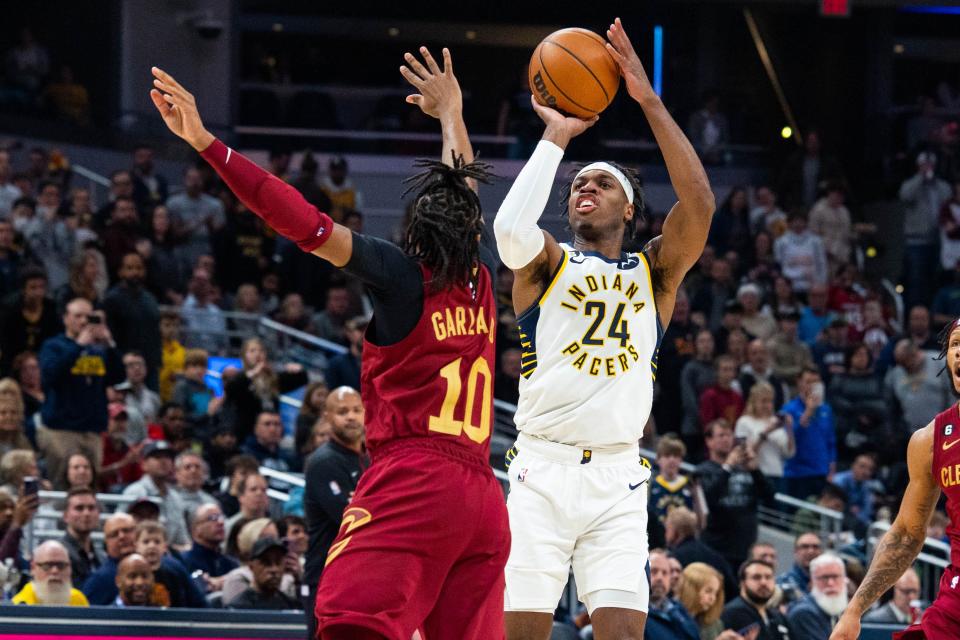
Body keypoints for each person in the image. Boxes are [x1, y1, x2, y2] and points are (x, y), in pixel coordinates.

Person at [153, 44, 510, 640]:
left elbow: (299, 219)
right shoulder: (478, 280)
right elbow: (461, 192)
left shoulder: (402, 273)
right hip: (482, 495)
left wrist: (207, 145)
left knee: (349, 622)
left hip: (416, 478)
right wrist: (453, 115)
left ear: (411, 229)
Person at [494, 19, 715, 639]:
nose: (584, 188)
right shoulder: (547, 263)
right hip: (541, 469)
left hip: (619, 475)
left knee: (622, 632)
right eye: (577, 185)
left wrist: (647, 99)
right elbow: (509, 233)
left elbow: (698, 204)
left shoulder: (656, 272)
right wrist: (555, 139)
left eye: (602, 183)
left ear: (630, 208)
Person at [831, 317, 960, 640]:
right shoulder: (930, 440)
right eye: (955, 345)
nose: (959, 353)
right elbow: (905, 534)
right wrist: (854, 610)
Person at [302, 386, 368, 633]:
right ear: (327, 417)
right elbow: (351, 519)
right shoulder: (324, 461)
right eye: (342, 412)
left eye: (356, 410)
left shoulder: (371, 459)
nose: (351, 417)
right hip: (326, 572)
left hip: (357, 574)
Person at [38, 299, 123, 482]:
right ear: (65, 319)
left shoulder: (99, 349)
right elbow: (50, 376)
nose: (84, 321)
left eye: (89, 316)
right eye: (78, 316)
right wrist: (78, 346)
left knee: (90, 483)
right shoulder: (53, 346)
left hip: (92, 430)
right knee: (62, 481)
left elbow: (119, 378)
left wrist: (110, 343)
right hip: (61, 429)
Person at [696, 419, 774, 574]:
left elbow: (770, 497)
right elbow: (708, 500)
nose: (726, 439)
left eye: (729, 435)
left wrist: (755, 470)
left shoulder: (746, 469)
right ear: (709, 441)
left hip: (745, 548)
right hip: (716, 549)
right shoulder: (702, 471)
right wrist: (727, 468)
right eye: (721, 435)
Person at [102, 253, 162, 390]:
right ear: (120, 272)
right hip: (124, 366)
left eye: (139, 268)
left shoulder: (150, 299)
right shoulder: (112, 299)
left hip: (149, 366)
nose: (135, 272)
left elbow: (156, 332)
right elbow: (110, 337)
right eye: (130, 268)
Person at [122, 440, 191, 549]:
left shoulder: (176, 498)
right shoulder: (134, 492)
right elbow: (120, 530)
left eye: (167, 457)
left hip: (169, 555)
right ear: (144, 464)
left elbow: (183, 540)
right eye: (157, 457)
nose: (163, 461)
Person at [781, 367, 836, 501]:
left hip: (821, 472)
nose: (812, 386)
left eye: (816, 382)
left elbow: (830, 440)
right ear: (799, 382)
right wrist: (807, 413)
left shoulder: (826, 409)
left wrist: (832, 466)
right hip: (797, 473)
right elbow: (787, 440)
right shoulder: (789, 409)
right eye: (808, 381)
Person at [735, 382, 795, 492]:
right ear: (754, 402)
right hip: (756, 476)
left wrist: (790, 428)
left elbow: (789, 453)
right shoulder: (744, 422)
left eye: (770, 401)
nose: (768, 405)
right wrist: (765, 433)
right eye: (763, 401)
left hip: (778, 475)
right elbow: (744, 454)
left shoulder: (775, 421)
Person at [721, 559, 794, 640]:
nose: (763, 582)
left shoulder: (777, 616)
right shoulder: (733, 613)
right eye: (756, 577)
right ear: (742, 583)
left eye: (768, 577)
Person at [227, 537, 302, 610]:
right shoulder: (238, 608)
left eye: (278, 562)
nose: (274, 569)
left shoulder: (291, 605)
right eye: (266, 563)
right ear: (251, 566)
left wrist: (299, 579)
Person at [644, 550, 701, 640]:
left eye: (665, 573)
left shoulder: (677, 608)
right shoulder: (636, 613)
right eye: (654, 571)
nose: (660, 578)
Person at [788, 553, 847, 639]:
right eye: (824, 577)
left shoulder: (836, 611)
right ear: (812, 581)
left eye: (835, 576)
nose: (830, 583)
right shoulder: (803, 613)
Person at [182, 502, 238, 593]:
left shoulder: (231, 563)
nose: (220, 523)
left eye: (221, 517)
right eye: (212, 518)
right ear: (196, 528)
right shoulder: (184, 562)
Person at [13, 540, 89, 606]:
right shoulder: (21, 604)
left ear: (70, 568)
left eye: (61, 565)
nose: (55, 571)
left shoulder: (78, 600)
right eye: (47, 565)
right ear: (33, 568)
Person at [61, 487, 103, 587]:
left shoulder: (102, 557)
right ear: (65, 516)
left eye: (91, 508)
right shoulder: (58, 554)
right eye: (79, 508)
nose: (86, 513)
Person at [677, 562, 726, 640]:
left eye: (716, 593)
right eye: (708, 591)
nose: (713, 598)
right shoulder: (671, 619)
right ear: (691, 589)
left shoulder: (715, 625)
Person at [776, 533, 822, 603]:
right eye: (805, 547)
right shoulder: (782, 582)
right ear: (795, 551)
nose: (811, 551)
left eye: (815, 547)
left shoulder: (832, 582)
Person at [224, 472, 270, 541]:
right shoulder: (229, 528)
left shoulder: (273, 527)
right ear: (241, 496)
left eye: (264, 490)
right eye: (253, 489)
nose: (259, 493)